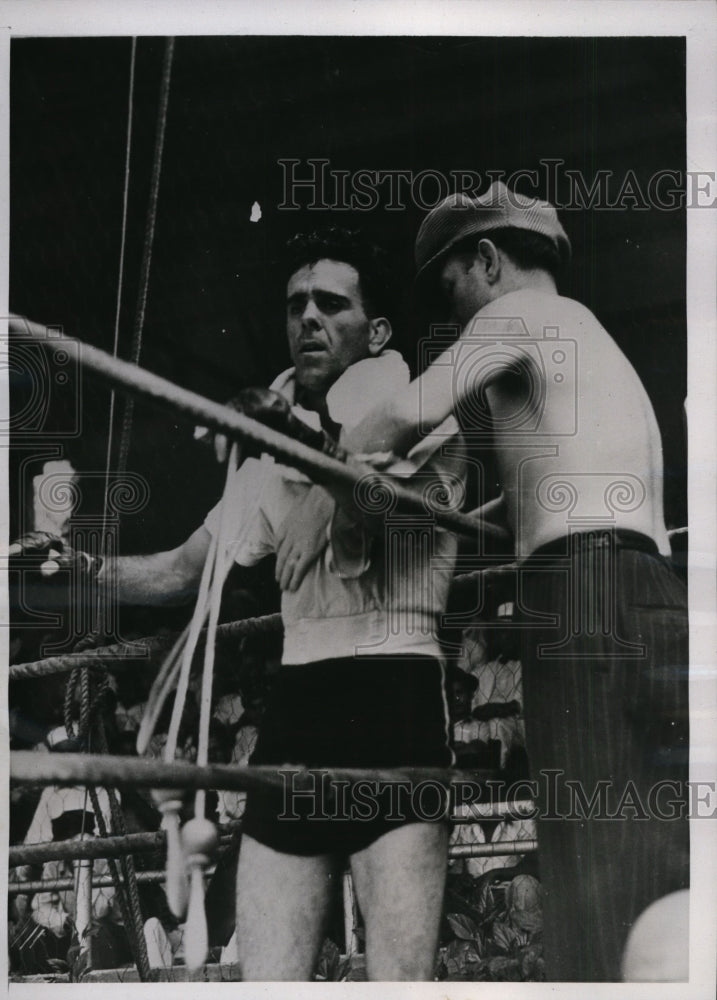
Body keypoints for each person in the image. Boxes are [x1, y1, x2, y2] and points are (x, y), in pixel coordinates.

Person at [11, 228, 468, 981]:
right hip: (298, 711)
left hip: (395, 697)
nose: (307, 320)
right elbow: (184, 570)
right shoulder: (267, 443)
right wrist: (75, 564)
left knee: (400, 986)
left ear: (378, 330)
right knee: (267, 982)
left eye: (330, 304)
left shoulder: (426, 419)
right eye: (296, 306)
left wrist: (291, 436)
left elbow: (378, 512)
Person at [279, 184, 689, 981]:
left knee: (591, 864)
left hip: (581, 595)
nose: (458, 316)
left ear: (488, 260)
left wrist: (319, 495)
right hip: (648, 587)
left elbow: (398, 415)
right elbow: (544, 499)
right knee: (661, 850)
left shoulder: (510, 317)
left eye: (452, 290)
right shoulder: (590, 338)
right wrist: (454, 519)